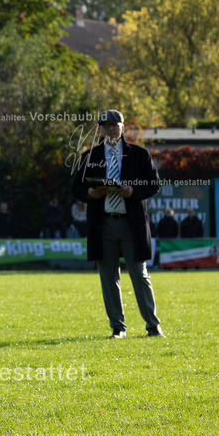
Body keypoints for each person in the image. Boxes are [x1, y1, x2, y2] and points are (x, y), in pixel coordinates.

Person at [72, 109, 163, 338]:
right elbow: (77, 188)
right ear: (100, 129)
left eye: (115, 125)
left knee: (139, 274)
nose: (110, 129)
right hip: (103, 224)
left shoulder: (139, 155)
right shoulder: (89, 156)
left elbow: (154, 185)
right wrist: (90, 194)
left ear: (123, 126)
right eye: (106, 125)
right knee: (108, 276)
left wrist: (133, 190)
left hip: (131, 223)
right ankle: (118, 327)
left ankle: (152, 325)